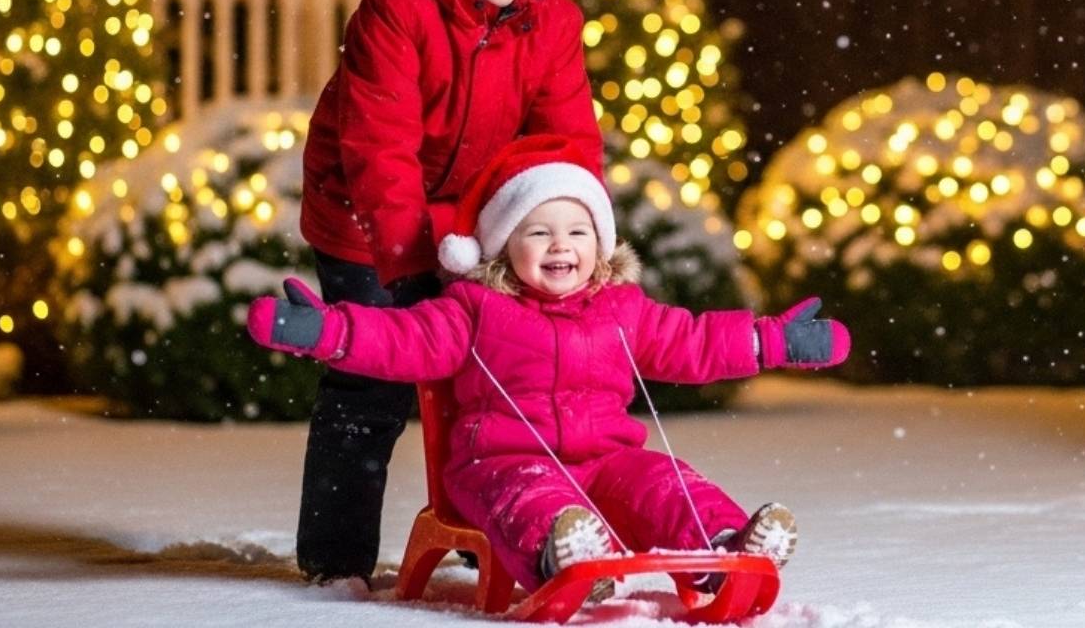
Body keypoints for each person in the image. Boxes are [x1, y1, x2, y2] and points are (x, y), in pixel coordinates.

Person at [251, 134, 850, 595]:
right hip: (501, 462)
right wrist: (327, 331)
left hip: (606, 459)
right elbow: (401, 339)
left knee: (665, 482)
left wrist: (773, 342)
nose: (562, 246)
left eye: (578, 231)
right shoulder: (474, 309)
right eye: (538, 232)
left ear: (601, 243)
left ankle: (724, 548)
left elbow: (694, 341)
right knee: (531, 497)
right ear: (505, 246)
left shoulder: (622, 309)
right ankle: (566, 560)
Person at [294, 0, 602, 583]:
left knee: (495, 384)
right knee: (372, 381)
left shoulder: (552, 22)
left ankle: (485, 531)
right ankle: (336, 559)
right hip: (366, 221)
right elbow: (378, 148)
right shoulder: (397, 11)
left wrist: (574, 235)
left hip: (471, 222)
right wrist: (410, 265)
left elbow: (565, 140)